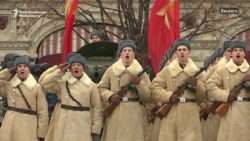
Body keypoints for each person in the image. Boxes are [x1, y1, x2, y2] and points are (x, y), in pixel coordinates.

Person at [151, 38, 207, 141]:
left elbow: (204, 95)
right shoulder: (167, 71)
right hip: (172, 112)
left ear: (189, 52)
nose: (182, 52)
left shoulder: (197, 72)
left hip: (190, 114)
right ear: (176, 53)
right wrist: (169, 96)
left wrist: (197, 85)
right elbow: (154, 87)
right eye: (179, 50)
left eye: (184, 50)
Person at [97, 39, 151, 141]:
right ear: (120, 54)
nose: (127, 53)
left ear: (134, 54)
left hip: (135, 114)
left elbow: (148, 96)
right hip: (116, 111)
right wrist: (111, 96)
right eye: (124, 50)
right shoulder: (111, 70)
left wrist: (139, 83)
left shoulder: (140, 72)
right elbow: (100, 88)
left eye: (130, 50)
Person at [40, 53, 103, 141]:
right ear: (70, 68)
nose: (76, 67)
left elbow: (97, 108)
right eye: (73, 65)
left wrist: (96, 128)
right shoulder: (63, 83)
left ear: (83, 68)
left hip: (84, 122)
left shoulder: (91, 85)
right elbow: (45, 83)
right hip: (64, 122)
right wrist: (59, 70)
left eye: (79, 65)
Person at [206, 40, 250, 141]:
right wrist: (225, 95)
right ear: (232, 54)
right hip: (229, 111)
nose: (238, 52)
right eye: (235, 50)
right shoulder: (223, 70)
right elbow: (210, 86)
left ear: (244, 54)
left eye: (240, 50)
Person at [0, 56, 49, 141]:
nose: (22, 69)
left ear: (29, 69)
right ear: (16, 70)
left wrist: (41, 133)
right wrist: (7, 72)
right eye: (19, 66)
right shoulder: (10, 85)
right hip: (10, 125)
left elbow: (42, 111)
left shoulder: (36, 87)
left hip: (28, 124)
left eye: (25, 66)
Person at [38, 52, 79, 141]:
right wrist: (57, 68)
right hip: (61, 110)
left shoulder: (86, 81)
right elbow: (43, 82)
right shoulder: (61, 80)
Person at [201, 40, 232, 141]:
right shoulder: (218, 68)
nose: (231, 53)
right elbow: (205, 86)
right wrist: (211, 102)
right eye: (228, 51)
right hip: (219, 107)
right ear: (224, 53)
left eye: (234, 50)